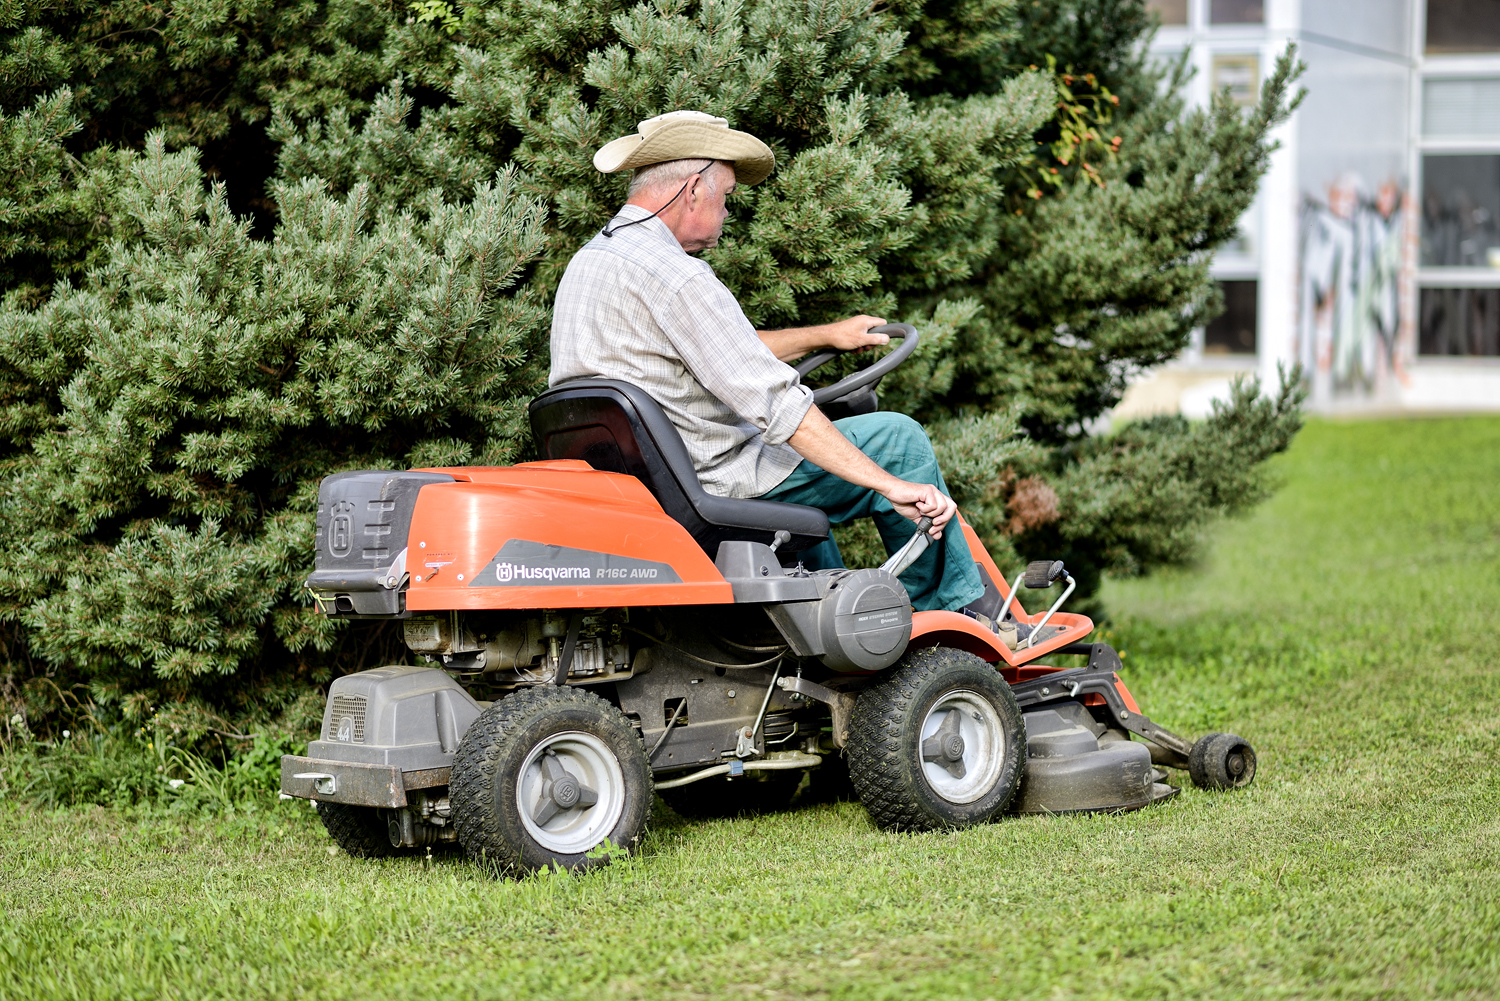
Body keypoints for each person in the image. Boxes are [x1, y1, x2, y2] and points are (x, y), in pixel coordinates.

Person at [550, 110, 997, 619]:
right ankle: (948, 619)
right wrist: (891, 485)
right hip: (714, 481)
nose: (725, 214)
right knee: (897, 441)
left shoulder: (594, 260)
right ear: (694, 189)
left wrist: (824, 336)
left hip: (647, 484)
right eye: (726, 197)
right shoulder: (679, 277)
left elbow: (721, 351)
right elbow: (778, 405)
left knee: (807, 490)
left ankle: (830, 623)